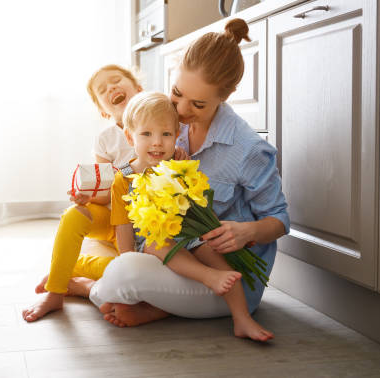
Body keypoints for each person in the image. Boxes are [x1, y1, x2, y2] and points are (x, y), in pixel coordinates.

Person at [70, 19, 290, 341]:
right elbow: (129, 174)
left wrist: (249, 231)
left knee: (123, 274)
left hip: (230, 277)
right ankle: (141, 303)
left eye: (198, 104)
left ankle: (112, 294)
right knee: (126, 265)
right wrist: (89, 194)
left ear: (225, 97)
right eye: (177, 94)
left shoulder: (248, 149)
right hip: (177, 254)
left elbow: (281, 220)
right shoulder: (168, 120)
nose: (182, 111)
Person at [22, 65, 188, 322]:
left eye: (116, 80)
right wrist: (88, 197)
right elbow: (106, 189)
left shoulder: (164, 125)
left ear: (138, 89)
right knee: (74, 215)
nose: (111, 87)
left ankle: (74, 271)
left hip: (154, 227)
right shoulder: (105, 139)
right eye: (103, 90)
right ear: (103, 109)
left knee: (143, 266)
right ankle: (55, 292)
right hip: (116, 220)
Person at [112, 91, 273, 341]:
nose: (157, 143)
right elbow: (123, 228)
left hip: (188, 237)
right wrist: (126, 263)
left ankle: (242, 318)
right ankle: (209, 278)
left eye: (165, 134)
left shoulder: (178, 166)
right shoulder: (123, 179)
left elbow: (197, 208)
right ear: (129, 135)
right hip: (151, 246)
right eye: (146, 134)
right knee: (159, 243)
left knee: (213, 251)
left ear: (177, 136)